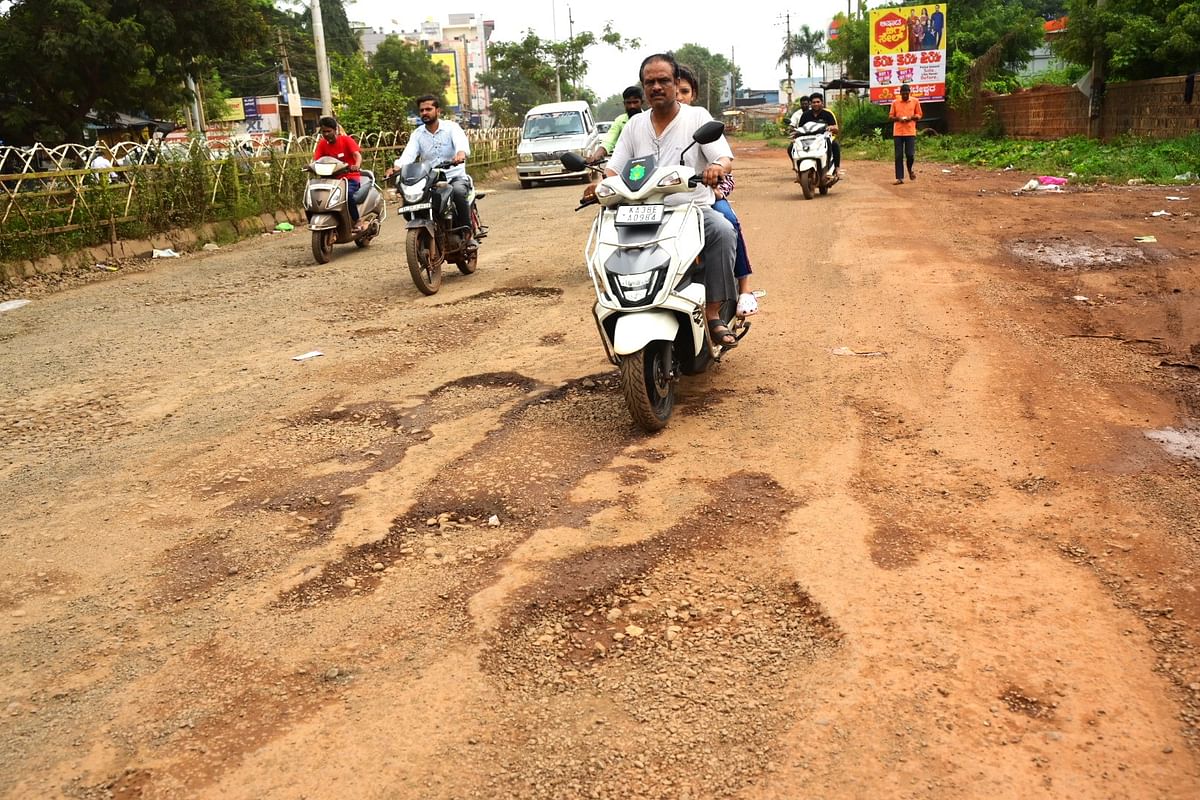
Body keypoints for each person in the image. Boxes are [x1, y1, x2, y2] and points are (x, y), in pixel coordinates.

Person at [606, 53, 739, 346]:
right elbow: (613, 168)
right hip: (640, 212)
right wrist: (600, 185)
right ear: (643, 87)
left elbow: (723, 157)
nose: (656, 87)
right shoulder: (634, 126)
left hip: (689, 210)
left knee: (723, 230)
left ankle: (714, 312)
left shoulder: (697, 117)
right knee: (608, 244)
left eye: (663, 80)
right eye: (649, 82)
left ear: (676, 82)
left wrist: (717, 167)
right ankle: (619, 305)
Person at [677, 65, 757, 317]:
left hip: (707, 200)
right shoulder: (647, 124)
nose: (679, 96)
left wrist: (717, 187)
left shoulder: (700, 122)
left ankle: (744, 288)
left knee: (729, 223)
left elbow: (725, 167)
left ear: (694, 95)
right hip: (671, 204)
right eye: (675, 90)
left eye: (684, 91)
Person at [389, 95, 474, 246]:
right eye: (422, 110)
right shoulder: (418, 134)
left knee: (459, 193)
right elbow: (408, 155)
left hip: (453, 176)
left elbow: (461, 144)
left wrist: (460, 154)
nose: (425, 113)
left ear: (438, 111)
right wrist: (396, 167)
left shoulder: (451, 128)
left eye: (428, 109)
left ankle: (467, 234)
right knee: (411, 202)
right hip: (431, 180)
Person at [313, 115, 366, 233]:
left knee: (347, 196)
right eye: (323, 132)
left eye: (328, 131)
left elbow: (357, 155)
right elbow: (316, 159)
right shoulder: (322, 144)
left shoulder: (346, 140)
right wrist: (310, 167)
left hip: (349, 179)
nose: (326, 134)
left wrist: (356, 165)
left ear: (335, 130)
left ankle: (357, 220)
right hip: (331, 180)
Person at [589, 85, 643, 162]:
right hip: (625, 164)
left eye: (635, 102)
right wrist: (598, 154)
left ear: (642, 102)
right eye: (629, 103)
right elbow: (609, 140)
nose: (632, 106)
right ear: (624, 104)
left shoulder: (649, 118)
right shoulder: (620, 120)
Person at [795, 93, 841, 176]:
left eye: (818, 102)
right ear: (810, 104)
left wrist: (831, 127)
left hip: (824, 138)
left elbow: (836, 128)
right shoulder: (805, 115)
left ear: (822, 103)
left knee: (835, 145)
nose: (816, 104)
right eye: (813, 102)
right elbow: (800, 129)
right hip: (808, 139)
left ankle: (836, 168)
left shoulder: (828, 113)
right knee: (791, 147)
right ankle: (797, 168)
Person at [889, 83, 922, 185]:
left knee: (910, 154)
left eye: (906, 93)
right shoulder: (895, 103)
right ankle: (899, 177)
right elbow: (890, 117)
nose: (904, 95)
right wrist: (898, 118)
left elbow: (919, 114)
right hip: (898, 132)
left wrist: (910, 118)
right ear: (900, 93)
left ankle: (910, 169)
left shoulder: (915, 101)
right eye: (903, 93)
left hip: (910, 131)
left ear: (909, 93)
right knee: (898, 155)